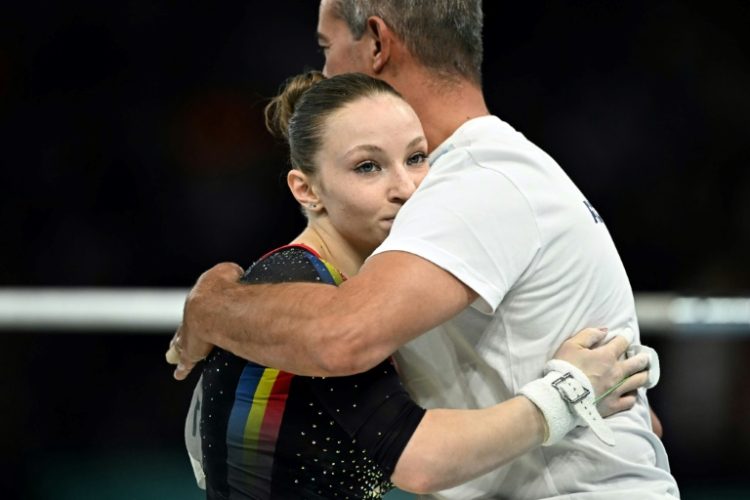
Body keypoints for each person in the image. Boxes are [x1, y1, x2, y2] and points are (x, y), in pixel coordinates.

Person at [169, 1, 679, 498]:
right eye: (368, 166)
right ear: (306, 188)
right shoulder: (487, 176)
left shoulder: (472, 185)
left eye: (327, 46)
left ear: (375, 43)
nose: (323, 71)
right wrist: (568, 397)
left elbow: (341, 338)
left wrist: (211, 307)